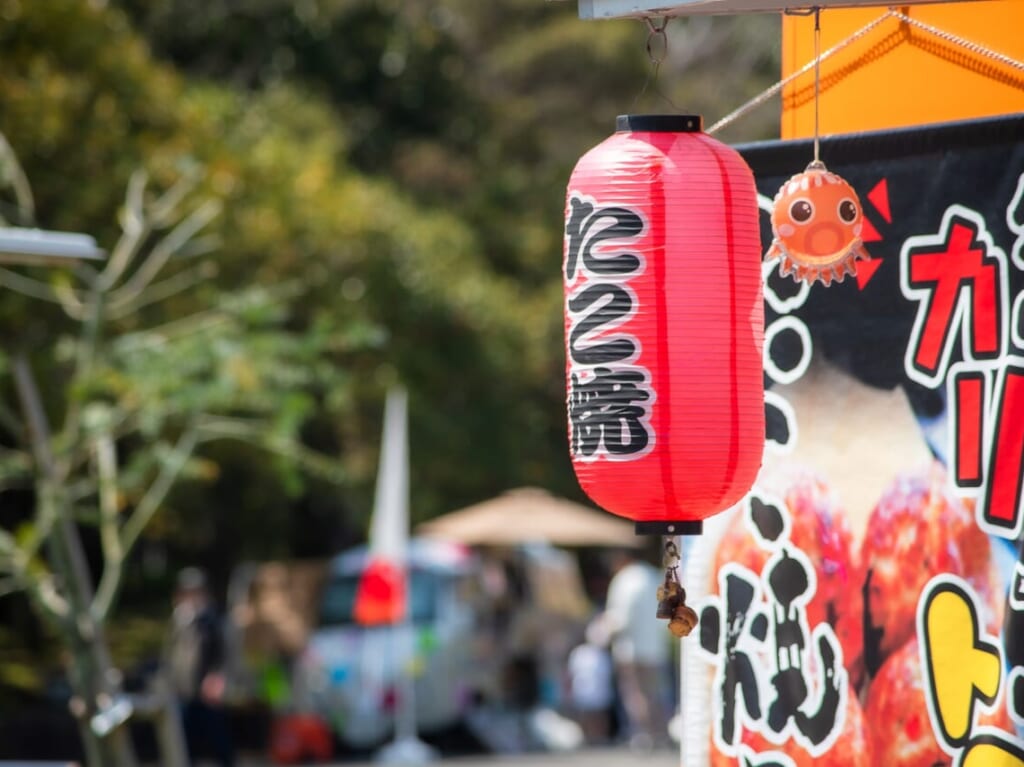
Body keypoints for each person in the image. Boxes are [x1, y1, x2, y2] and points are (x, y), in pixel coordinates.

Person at [166, 567, 236, 767]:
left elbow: (222, 653)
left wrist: (216, 677)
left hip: (206, 689)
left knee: (218, 736)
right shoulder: (179, 620)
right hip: (183, 690)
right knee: (186, 740)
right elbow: (171, 654)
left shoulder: (211, 620)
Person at [603, 548, 672, 750]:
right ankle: (661, 733)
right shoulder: (653, 577)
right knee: (657, 694)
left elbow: (620, 618)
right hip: (656, 648)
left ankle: (643, 734)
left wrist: (602, 632)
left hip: (630, 649)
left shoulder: (624, 580)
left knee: (636, 695)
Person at [566, 616, 614, 744]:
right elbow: (570, 674)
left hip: (600, 693)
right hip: (582, 692)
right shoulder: (579, 653)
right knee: (585, 717)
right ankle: (587, 738)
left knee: (599, 717)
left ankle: (600, 737)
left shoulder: (604, 655)